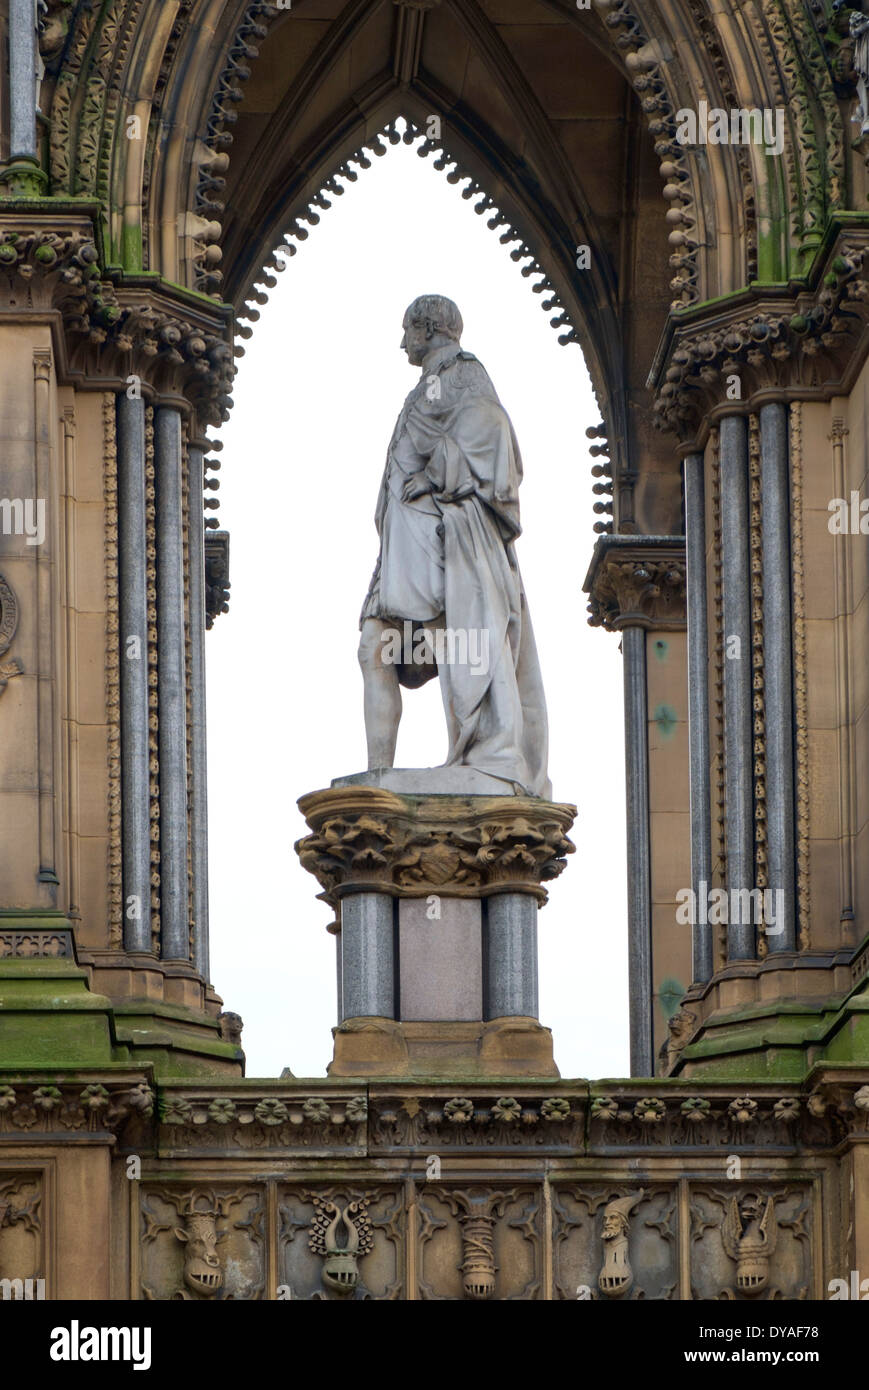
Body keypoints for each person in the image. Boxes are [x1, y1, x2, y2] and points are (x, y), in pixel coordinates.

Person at [358, 294, 551, 797]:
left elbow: (492, 431)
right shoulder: (427, 384)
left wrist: (437, 474)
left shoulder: (463, 373)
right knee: (374, 648)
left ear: (428, 328)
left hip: (447, 541)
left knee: (454, 643)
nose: (403, 341)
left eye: (407, 330)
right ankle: (379, 774)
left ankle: (480, 754)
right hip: (406, 546)